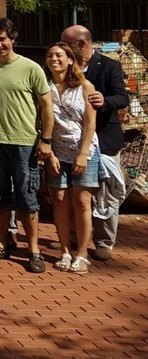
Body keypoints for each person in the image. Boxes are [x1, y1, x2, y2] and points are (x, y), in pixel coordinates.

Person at [0, 18, 55, 274]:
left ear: (13, 39)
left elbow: (46, 106)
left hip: (24, 143)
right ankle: (1, 243)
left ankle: (33, 249)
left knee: (27, 197)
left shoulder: (31, 68)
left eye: (2, 39)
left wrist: (45, 139)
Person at [59, 24, 128, 261]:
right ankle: (77, 237)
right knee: (78, 194)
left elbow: (122, 97)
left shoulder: (109, 66)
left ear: (81, 44)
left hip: (105, 140)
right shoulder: (64, 68)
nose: (62, 48)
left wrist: (105, 100)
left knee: (106, 193)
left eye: (66, 43)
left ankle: (103, 241)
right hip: (71, 144)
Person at [44, 42, 99, 273]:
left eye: (59, 55)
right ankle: (65, 250)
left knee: (82, 201)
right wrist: (51, 154)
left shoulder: (84, 87)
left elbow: (90, 123)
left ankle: (82, 252)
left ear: (69, 59)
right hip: (57, 150)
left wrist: (83, 154)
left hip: (83, 150)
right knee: (59, 200)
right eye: (50, 55)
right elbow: (43, 124)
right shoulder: (45, 87)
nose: (54, 59)